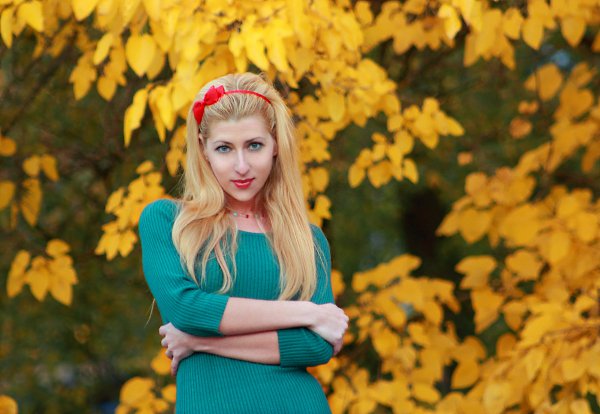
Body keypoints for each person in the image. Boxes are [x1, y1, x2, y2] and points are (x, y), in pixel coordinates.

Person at [138, 72, 348, 414]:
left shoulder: (307, 239)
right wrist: (307, 312)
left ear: (275, 145)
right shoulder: (168, 221)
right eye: (224, 148)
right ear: (204, 150)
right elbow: (186, 309)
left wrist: (200, 342)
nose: (241, 166)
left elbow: (316, 346)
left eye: (254, 146)